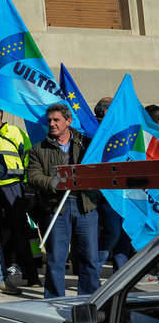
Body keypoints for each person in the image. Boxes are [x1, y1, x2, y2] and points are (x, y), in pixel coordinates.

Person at [27, 103, 99, 298]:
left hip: (85, 205)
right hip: (56, 208)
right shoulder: (38, 150)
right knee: (56, 259)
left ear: (68, 121)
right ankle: (54, 299)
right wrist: (55, 183)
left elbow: (100, 167)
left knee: (90, 257)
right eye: (49, 120)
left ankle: (89, 299)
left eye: (56, 120)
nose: (52, 124)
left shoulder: (87, 144)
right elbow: (33, 176)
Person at [0, 103, 39, 290]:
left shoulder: (15, 132)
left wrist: (28, 187)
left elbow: (29, 158)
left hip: (13, 188)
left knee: (20, 233)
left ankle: (32, 276)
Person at [94, 97, 132, 273]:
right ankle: (94, 269)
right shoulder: (96, 131)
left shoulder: (122, 129)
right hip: (108, 195)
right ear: (107, 112)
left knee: (124, 235)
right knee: (113, 233)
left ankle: (122, 279)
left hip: (125, 193)